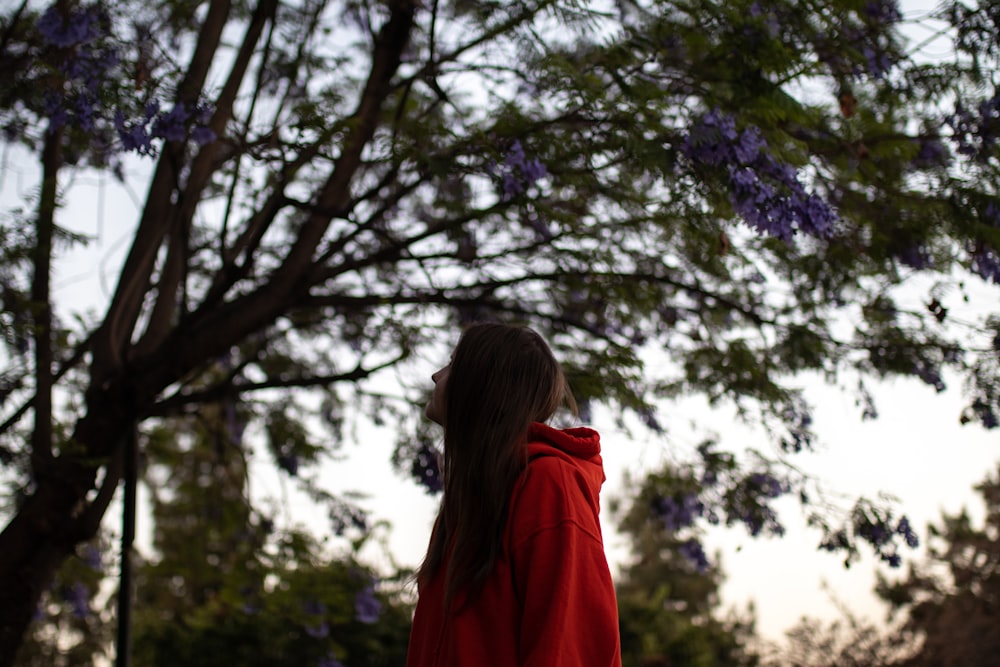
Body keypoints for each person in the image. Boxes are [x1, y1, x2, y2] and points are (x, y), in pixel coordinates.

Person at [406, 322, 622, 667]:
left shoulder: (549, 483)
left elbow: (566, 647)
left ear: (482, 383)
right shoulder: (469, 502)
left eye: (452, 364)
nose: (436, 375)